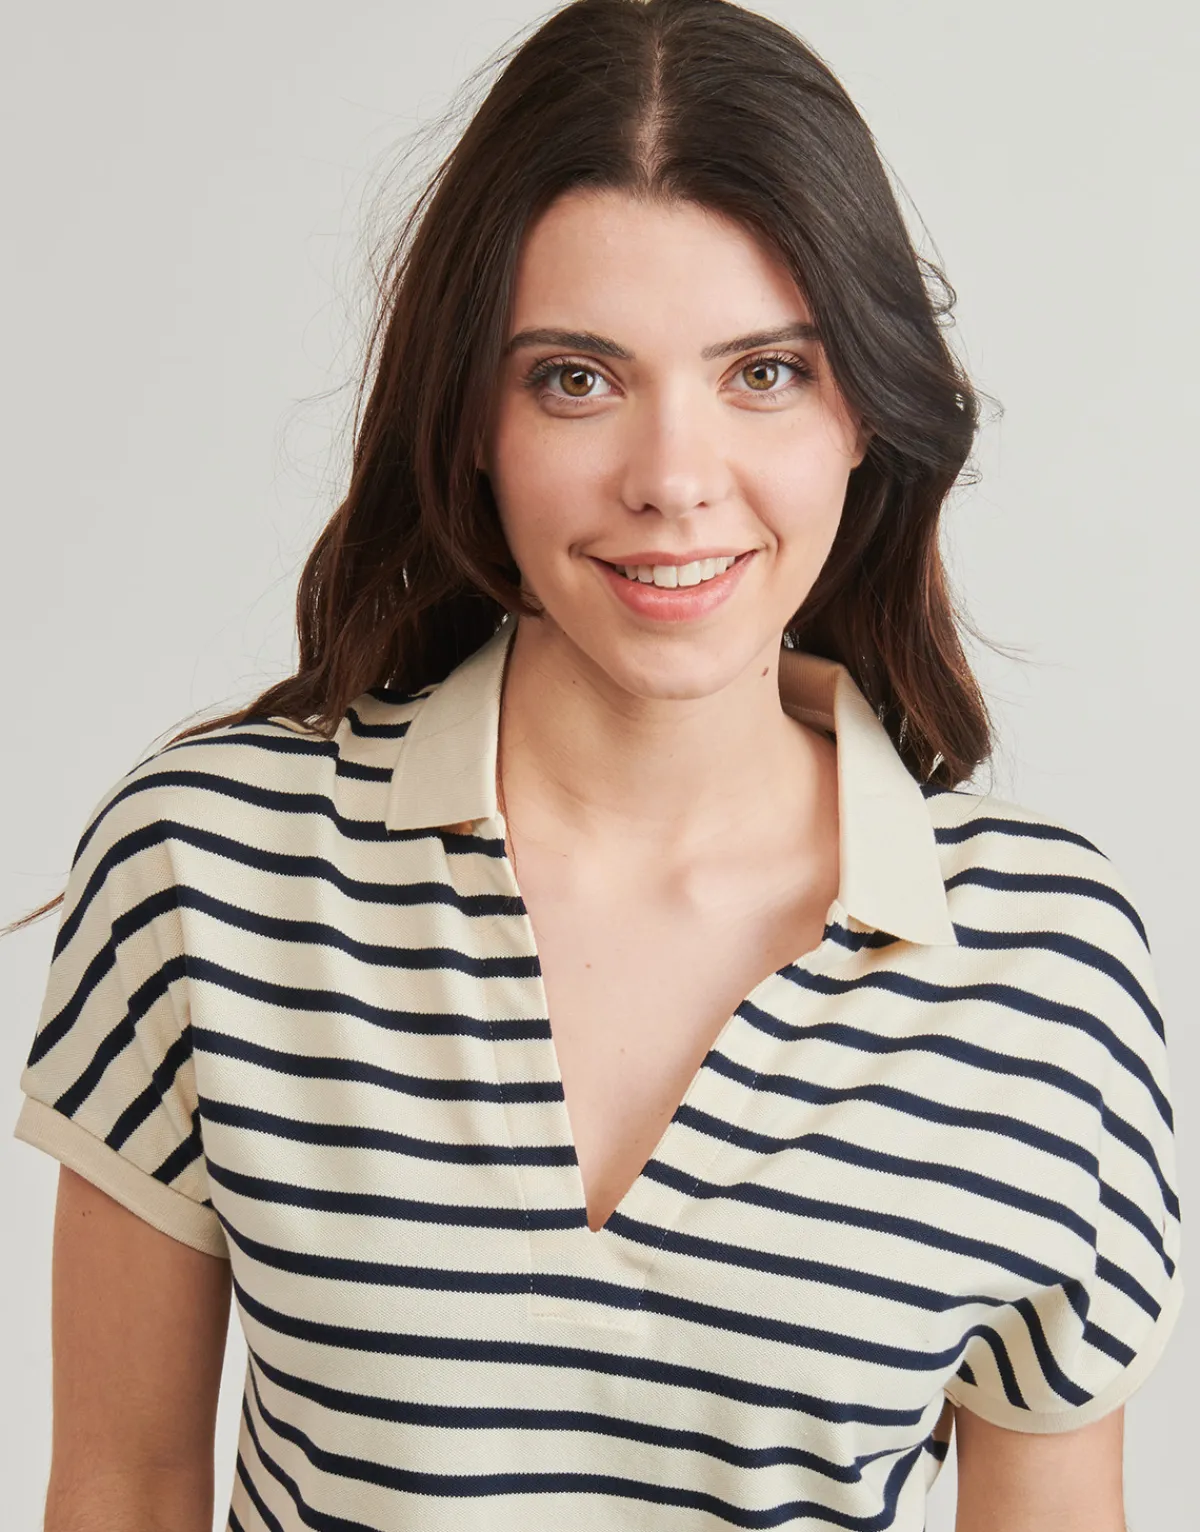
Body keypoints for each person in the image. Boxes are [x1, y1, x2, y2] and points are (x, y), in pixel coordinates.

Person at [7, 1, 1183, 1528]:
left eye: (765, 372)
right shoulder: (210, 869)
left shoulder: (1044, 964)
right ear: (470, 420)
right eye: (577, 377)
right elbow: (122, 1483)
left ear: (862, 415)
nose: (673, 480)